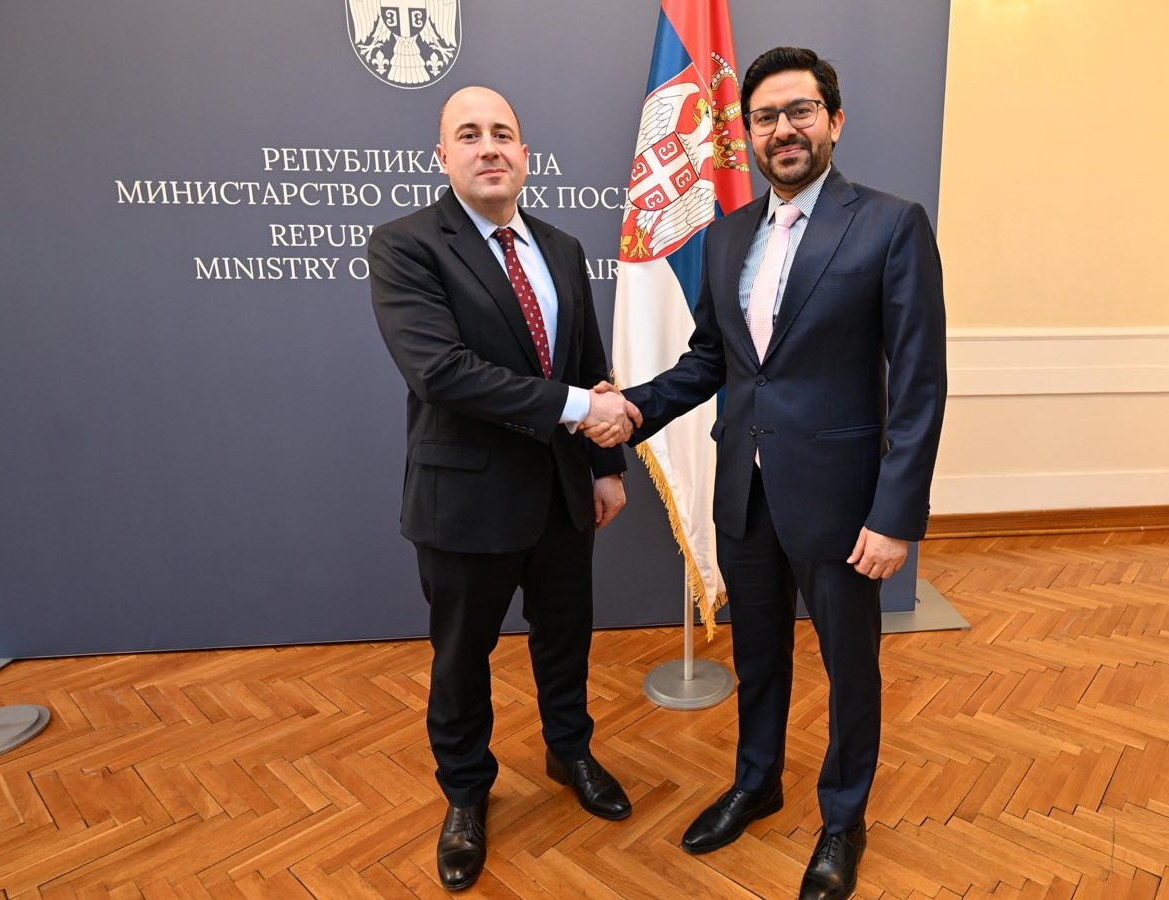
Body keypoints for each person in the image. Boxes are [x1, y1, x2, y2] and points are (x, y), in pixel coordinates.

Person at [608, 46, 947, 900]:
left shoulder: (891, 225)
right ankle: (757, 782)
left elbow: (919, 385)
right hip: (746, 493)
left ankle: (843, 819)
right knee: (758, 654)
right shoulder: (728, 235)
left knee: (850, 669)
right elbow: (711, 361)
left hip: (843, 504)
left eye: (800, 111)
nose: (783, 129)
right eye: (765, 117)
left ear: (835, 121)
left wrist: (895, 514)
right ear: (748, 135)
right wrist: (634, 407)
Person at [368, 85, 639, 892]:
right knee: (462, 658)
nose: (488, 147)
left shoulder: (561, 247)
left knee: (566, 639)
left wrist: (606, 466)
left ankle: (569, 752)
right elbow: (442, 372)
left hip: (563, 494)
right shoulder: (406, 245)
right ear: (442, 156)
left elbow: (587, 361)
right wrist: (579, 408)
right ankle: (465, 793)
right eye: (469, 134)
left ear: (524, 155)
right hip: (465, 503)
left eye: (502, 133)